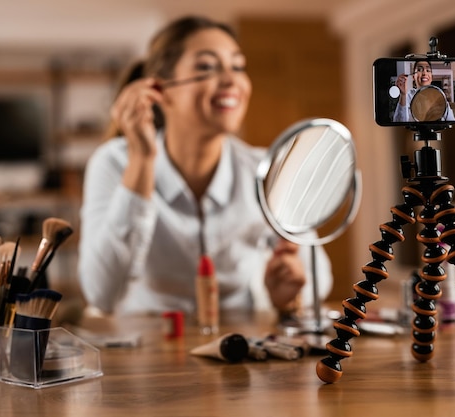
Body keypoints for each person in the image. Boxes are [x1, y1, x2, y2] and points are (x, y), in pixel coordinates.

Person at [77, 15, 333, 317]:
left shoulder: (265, 169)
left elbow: (320, 280)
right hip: (148, 348)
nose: (231, 81)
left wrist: (285, 291)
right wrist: (142, 161)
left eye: (238, 66)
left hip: (240, 344)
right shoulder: (115, 162)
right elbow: (101, 294)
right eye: (207, 67)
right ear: (159, 89)